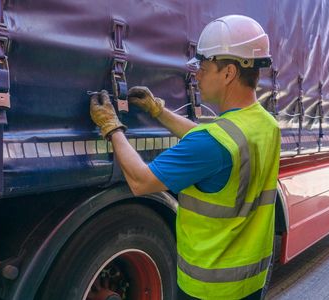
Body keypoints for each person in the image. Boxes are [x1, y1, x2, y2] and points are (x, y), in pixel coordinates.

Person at [89, 15, 281, 299]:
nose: (197, 75)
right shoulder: (266, 125)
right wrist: (159, 112)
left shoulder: (213, 143)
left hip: (208, 288)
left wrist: (112, 127)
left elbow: (141, 182)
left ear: (228, 73)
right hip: (249, 282)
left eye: (203, 67)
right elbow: (213, 141)